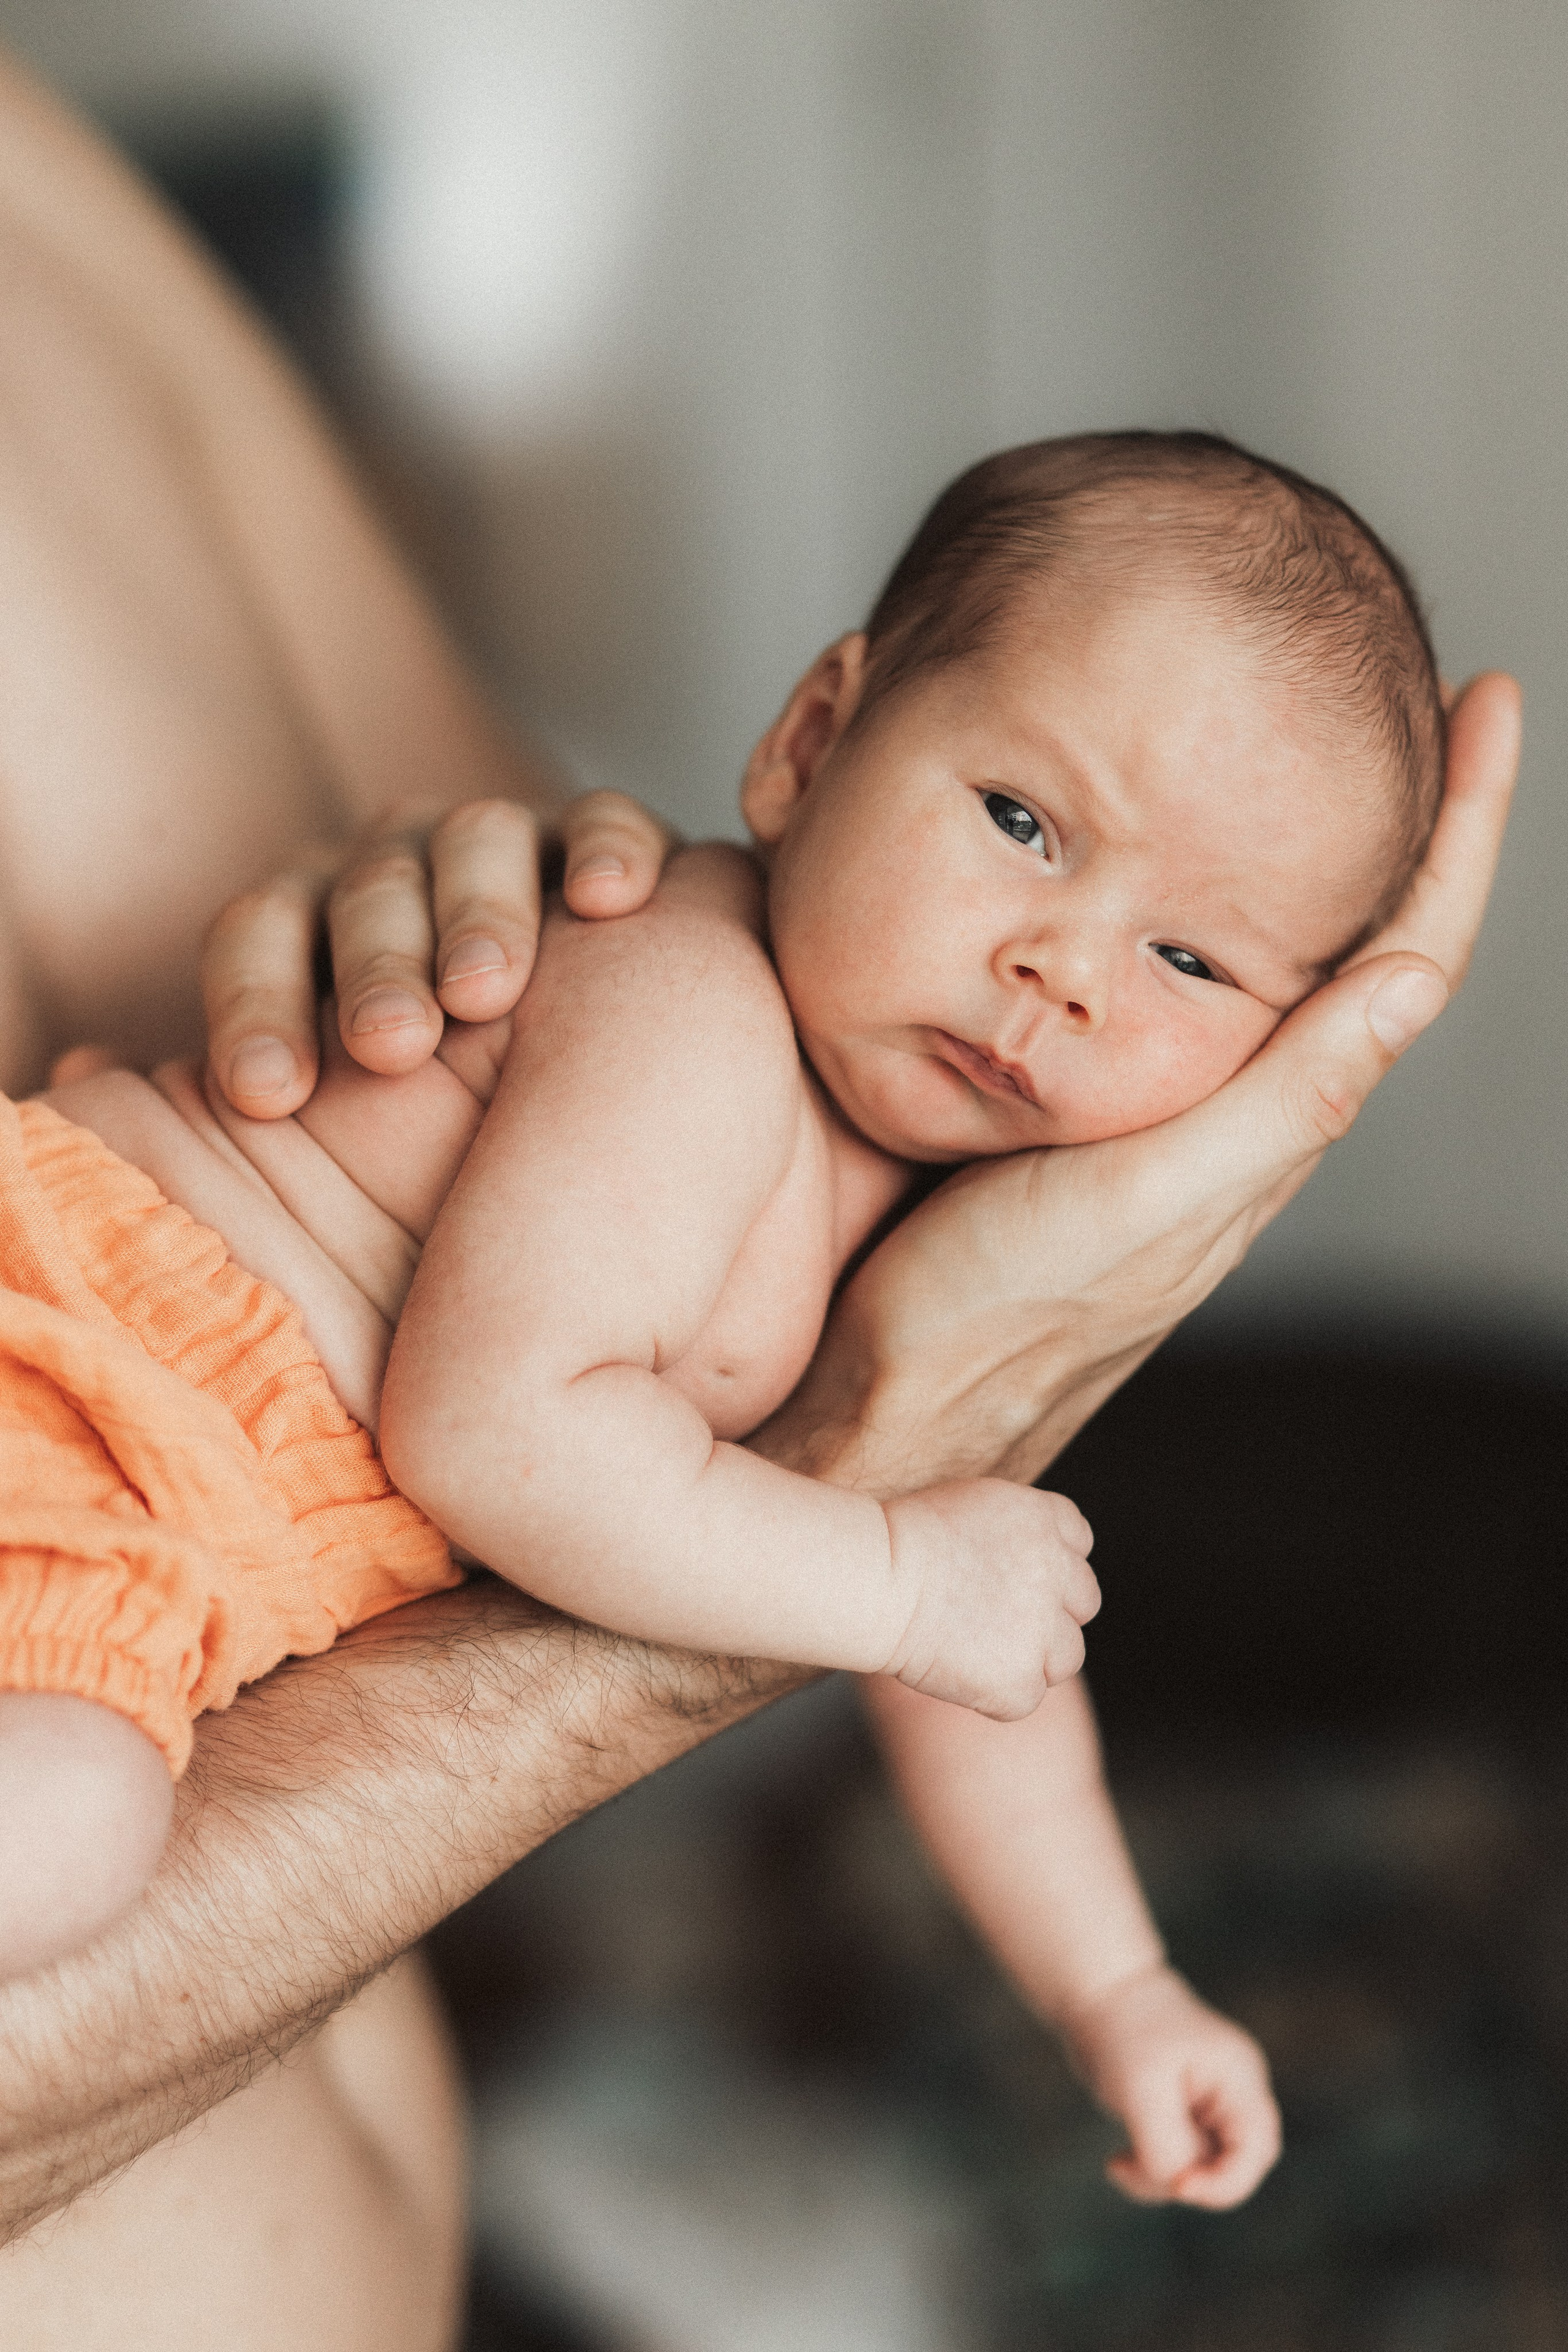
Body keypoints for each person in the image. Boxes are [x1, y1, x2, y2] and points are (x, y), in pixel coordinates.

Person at [0, 45, 1518, 2352]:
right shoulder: (689, 1002)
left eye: (1192, 962)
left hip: (148, 1551)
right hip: (84, 1405)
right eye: (1024, 821)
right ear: (813, 741)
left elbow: (987, 1660)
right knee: (66, 1839)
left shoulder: (917, 1251)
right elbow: (507, 1439)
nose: (1061, 966)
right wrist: (899, 1564)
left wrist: (1120, 1989)